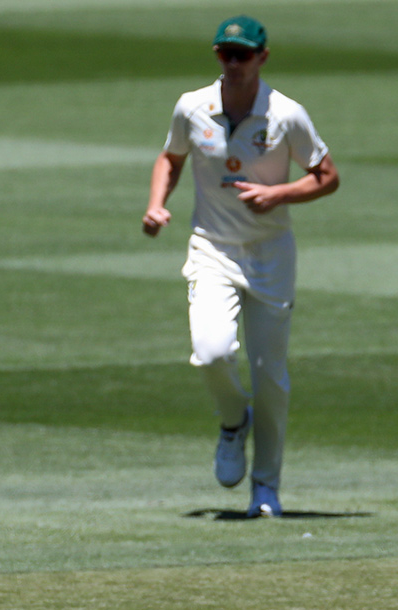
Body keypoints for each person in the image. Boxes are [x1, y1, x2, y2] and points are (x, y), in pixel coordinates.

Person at [142, 15, 339, 517]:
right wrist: (156, 203)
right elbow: (170, 157)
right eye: (226, 54)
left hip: (271, 254)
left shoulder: (286, 114)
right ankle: (234, 420)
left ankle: (266, 487)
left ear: (262, 58)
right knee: (210, 353)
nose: (233, 63)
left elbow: (326, 176)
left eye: (243, 55)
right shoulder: (193, 106)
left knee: (270, 375)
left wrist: (279, 193)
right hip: (212, 248)